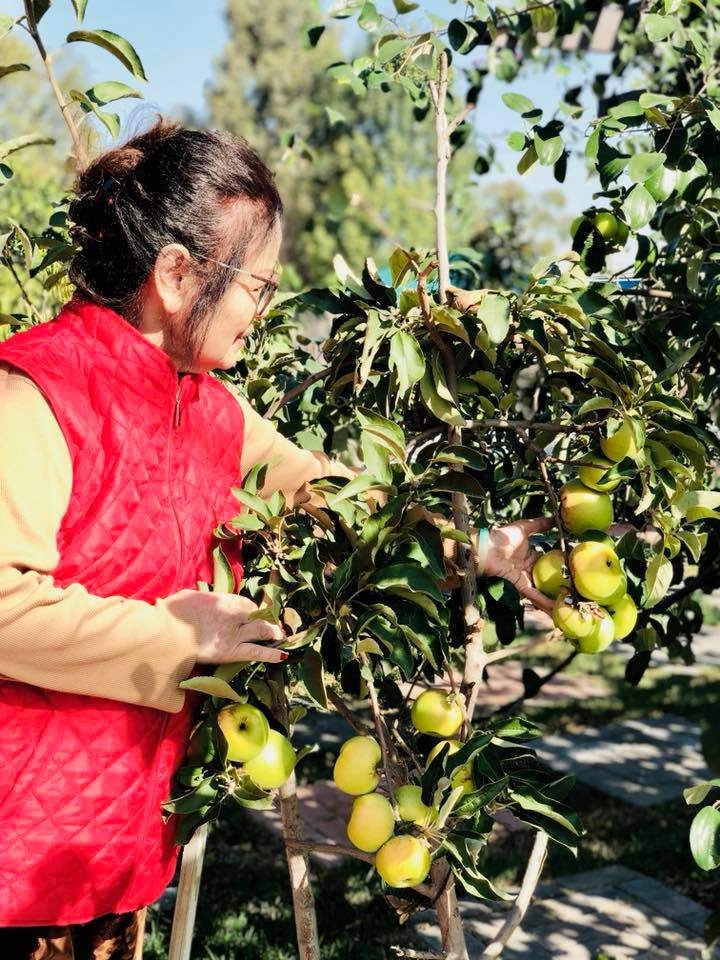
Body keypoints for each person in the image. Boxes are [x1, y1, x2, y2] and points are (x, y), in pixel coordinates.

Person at [0, 119, 551, 959]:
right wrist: (182, 636)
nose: (263, 309)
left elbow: (333, 501)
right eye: (255, 285)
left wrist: (479, 546)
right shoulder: (35, 392)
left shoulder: (209, 411)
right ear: (178, 275)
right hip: (17, 859)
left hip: (113, 852)